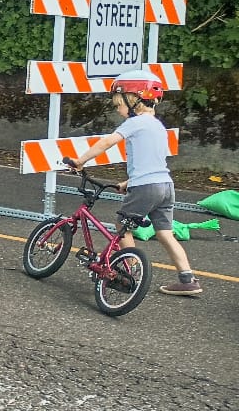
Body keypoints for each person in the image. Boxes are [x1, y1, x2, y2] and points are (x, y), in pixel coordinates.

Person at [62, 69, 201, 297]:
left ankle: (130, 270)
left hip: (147, 187)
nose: (118, 110)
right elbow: (152, 161)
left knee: (121, 224)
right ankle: (188, 279)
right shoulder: (157, 125)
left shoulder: (136, 123)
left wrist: (80, 161)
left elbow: (107, 142)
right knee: (165, 233)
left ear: (134, 100)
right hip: (165, 185)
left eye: (119, 104)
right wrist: (129, 181)